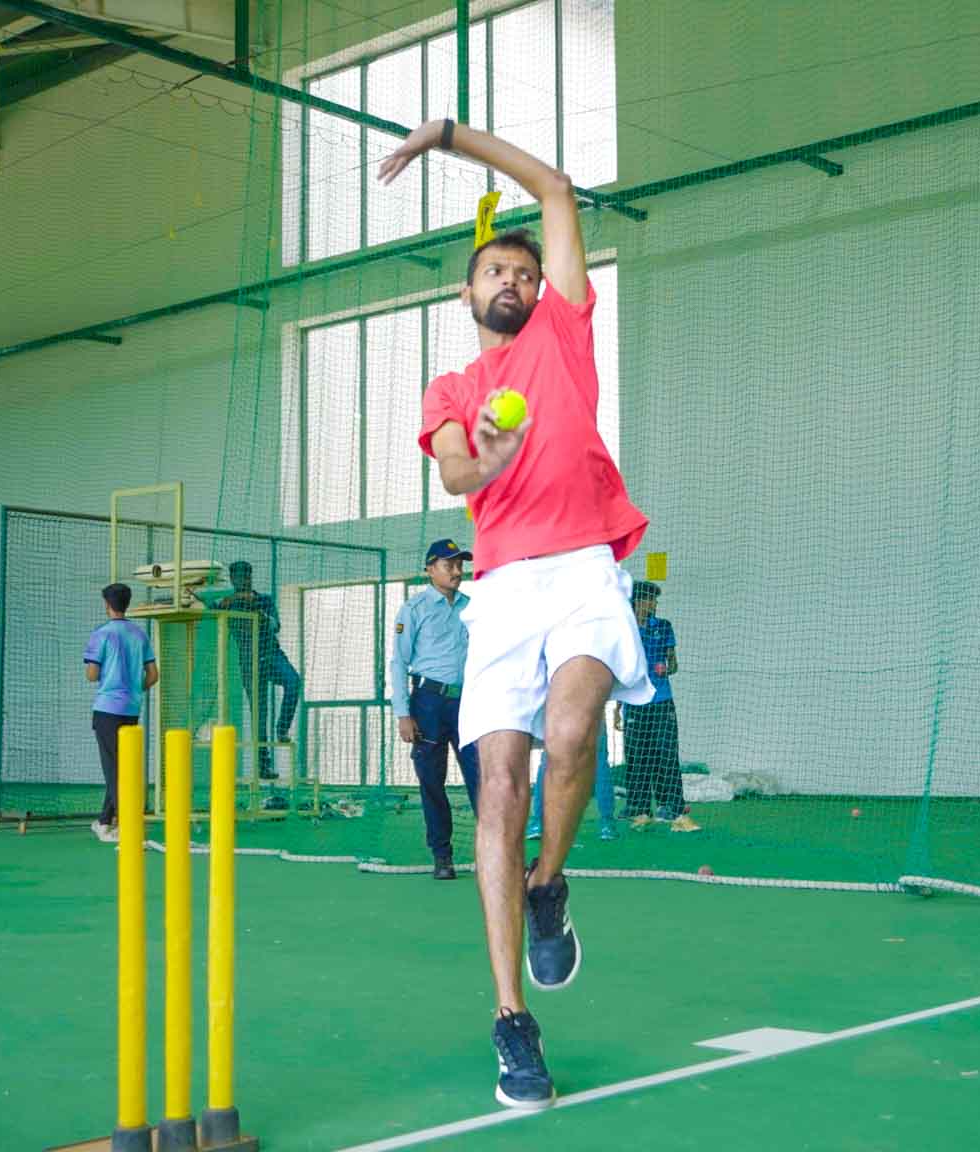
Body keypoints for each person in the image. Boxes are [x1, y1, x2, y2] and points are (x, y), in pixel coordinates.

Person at [382, 116, 654, 1111]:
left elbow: (553, 189)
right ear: (467, 293)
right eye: (492, 272)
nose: (510, 282)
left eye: (521, 272)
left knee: (575, 734)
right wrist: (479, 464)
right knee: (496, 783)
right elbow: (452, 461)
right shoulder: (455, 383)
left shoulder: (564, 329)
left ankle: (548, 882)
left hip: (581, 568)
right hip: (499, 590)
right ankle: (511, 1020)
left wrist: (448, 138)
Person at [391, 539, 483, 879]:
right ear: (430, 569)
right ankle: (442, 856)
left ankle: (493, 854)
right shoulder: (413, 610)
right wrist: (403, 713)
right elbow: (399, 662)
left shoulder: (472, 608)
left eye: (460, 564)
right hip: (427, 703)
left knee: (482, 779)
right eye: (449, 565)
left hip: (468, 703)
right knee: (432, 781)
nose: (457, 571)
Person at [619, 581, 698, 831]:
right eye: (651, 600)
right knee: (638, 756)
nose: (654, 604)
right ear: (639, 602)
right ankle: (639, 808)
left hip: (662, 700)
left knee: (666, 753)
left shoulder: (663, 627)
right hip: (633, 702)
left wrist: (666, 667)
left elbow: (674, 664)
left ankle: (672, 807)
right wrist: (615, 710)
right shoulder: (625, 629)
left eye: (655, 601)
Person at [214, 559, 302, 779]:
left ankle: (282, 728)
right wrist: (228, 600)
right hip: (249, 661)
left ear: (251, 578)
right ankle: (263, 766)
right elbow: (206, 605)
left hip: (271, 654)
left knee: (293, 681)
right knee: (259, 712)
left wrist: (260, 613)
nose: (242, 581)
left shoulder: (264, 600)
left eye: (246, 576)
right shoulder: (228, 603)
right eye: (238, 578)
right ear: (233, 580)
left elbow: (275, 624)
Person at [84, 582, 157, 843]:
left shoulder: (101, 634)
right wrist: (135, 690)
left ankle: (128, 826)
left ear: (107, 605)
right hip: (131, 710)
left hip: (107, 710)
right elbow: (153, 675)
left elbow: (92, 674)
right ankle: (104, 822)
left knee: (113, 768)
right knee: (121, 766)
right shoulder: (140, 635)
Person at [526, 724, 617, 843]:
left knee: (548, 764)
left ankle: (537, 823)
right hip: (591, 716)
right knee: (599, 765)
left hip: (559, 717)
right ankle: (607, 824)